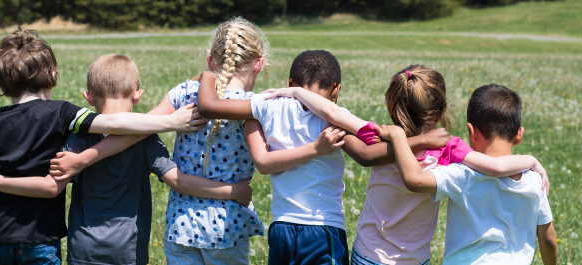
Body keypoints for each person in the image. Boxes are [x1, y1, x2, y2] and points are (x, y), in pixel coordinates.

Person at [0, 29, 205, 265]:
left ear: (3, 86)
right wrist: (168, 121)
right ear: (53, 76)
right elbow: (115, 124)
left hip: (1, 236)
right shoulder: (62, 115)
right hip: (54, 240)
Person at [262, 64, 549, 265]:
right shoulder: (449, 148)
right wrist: (532, 161)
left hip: (369, 255)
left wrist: (299, 93)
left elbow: (333, 113)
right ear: (440, 113)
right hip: (416, 259)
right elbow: (495, 167)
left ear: (392, 106)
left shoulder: (380, 139)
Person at [0, 54, 254, 265]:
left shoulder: (77, 140)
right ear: (138, 94)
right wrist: (233, 191)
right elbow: (179, 181)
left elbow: (51, 185)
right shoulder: (147, 139)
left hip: (83, 249)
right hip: (129, 251)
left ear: (88, 98)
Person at [198, 50, 451, 265]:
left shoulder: (266, 105)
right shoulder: (334, 118)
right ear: (336, 90)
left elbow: (209, 106)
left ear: (289, 84)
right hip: (323, 228)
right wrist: (420, 141)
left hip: (280, 227)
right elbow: (365, 154)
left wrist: (207, 75)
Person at [375, 84, 557, 265]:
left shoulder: (463, 175)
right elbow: (548, 239)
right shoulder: (536, 181)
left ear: (471, 132)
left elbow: (415, 180)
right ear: (519, 134)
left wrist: (398, 137)